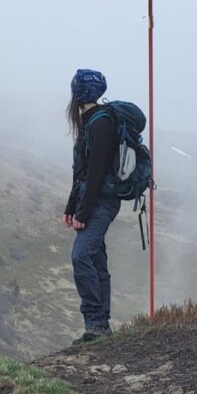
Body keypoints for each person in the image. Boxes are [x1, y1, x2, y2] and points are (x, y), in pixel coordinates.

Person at [63, 69, 120, 344]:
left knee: (81, 256)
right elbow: (82, 171)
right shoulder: (91, 122)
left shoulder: (99, 124)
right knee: (95, 258)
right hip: (94, 201)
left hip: (101, 203)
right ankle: (100, 327)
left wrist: (83, 212)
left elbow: (95, 172)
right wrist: (71, 206)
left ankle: (96, 323)